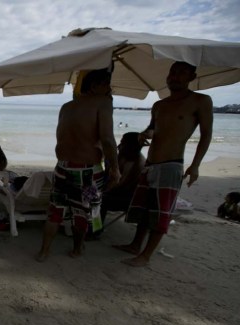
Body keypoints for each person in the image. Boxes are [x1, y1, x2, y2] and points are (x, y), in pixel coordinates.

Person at [114, 61, 213, 266]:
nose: (175, 76)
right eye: (172, 72)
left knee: (161, 212)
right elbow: (153, 129)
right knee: (144, 209)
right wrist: (144, 134)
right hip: (150, 163)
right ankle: (135, 245)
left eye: (181, 73)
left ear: (191, 77)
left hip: (171, 164)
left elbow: (206, 135)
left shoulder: (200, 101)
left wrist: (195, 165)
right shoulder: (159, 105)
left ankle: (145, 256)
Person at [36, 69, 120, 261]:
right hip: (87, 172)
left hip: (62, 168)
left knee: (55, 210)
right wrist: (115, 168)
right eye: (106, 84)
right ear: (94, 86)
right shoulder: (103, 103)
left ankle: (44, 251)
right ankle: (77, 249)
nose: (109, 89)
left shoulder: (67, 107)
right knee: (82, 213)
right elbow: (107, 139)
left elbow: (62, 137)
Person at [100, 132, 148, 223]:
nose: (119, 146)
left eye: (122, 143)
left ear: (130, 146)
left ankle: (96, 229)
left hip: (129, 198)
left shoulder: (138, 163)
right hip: (118, 191)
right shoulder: (124, 156)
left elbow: (123, 185)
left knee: (101, 199)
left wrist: (103, 191)